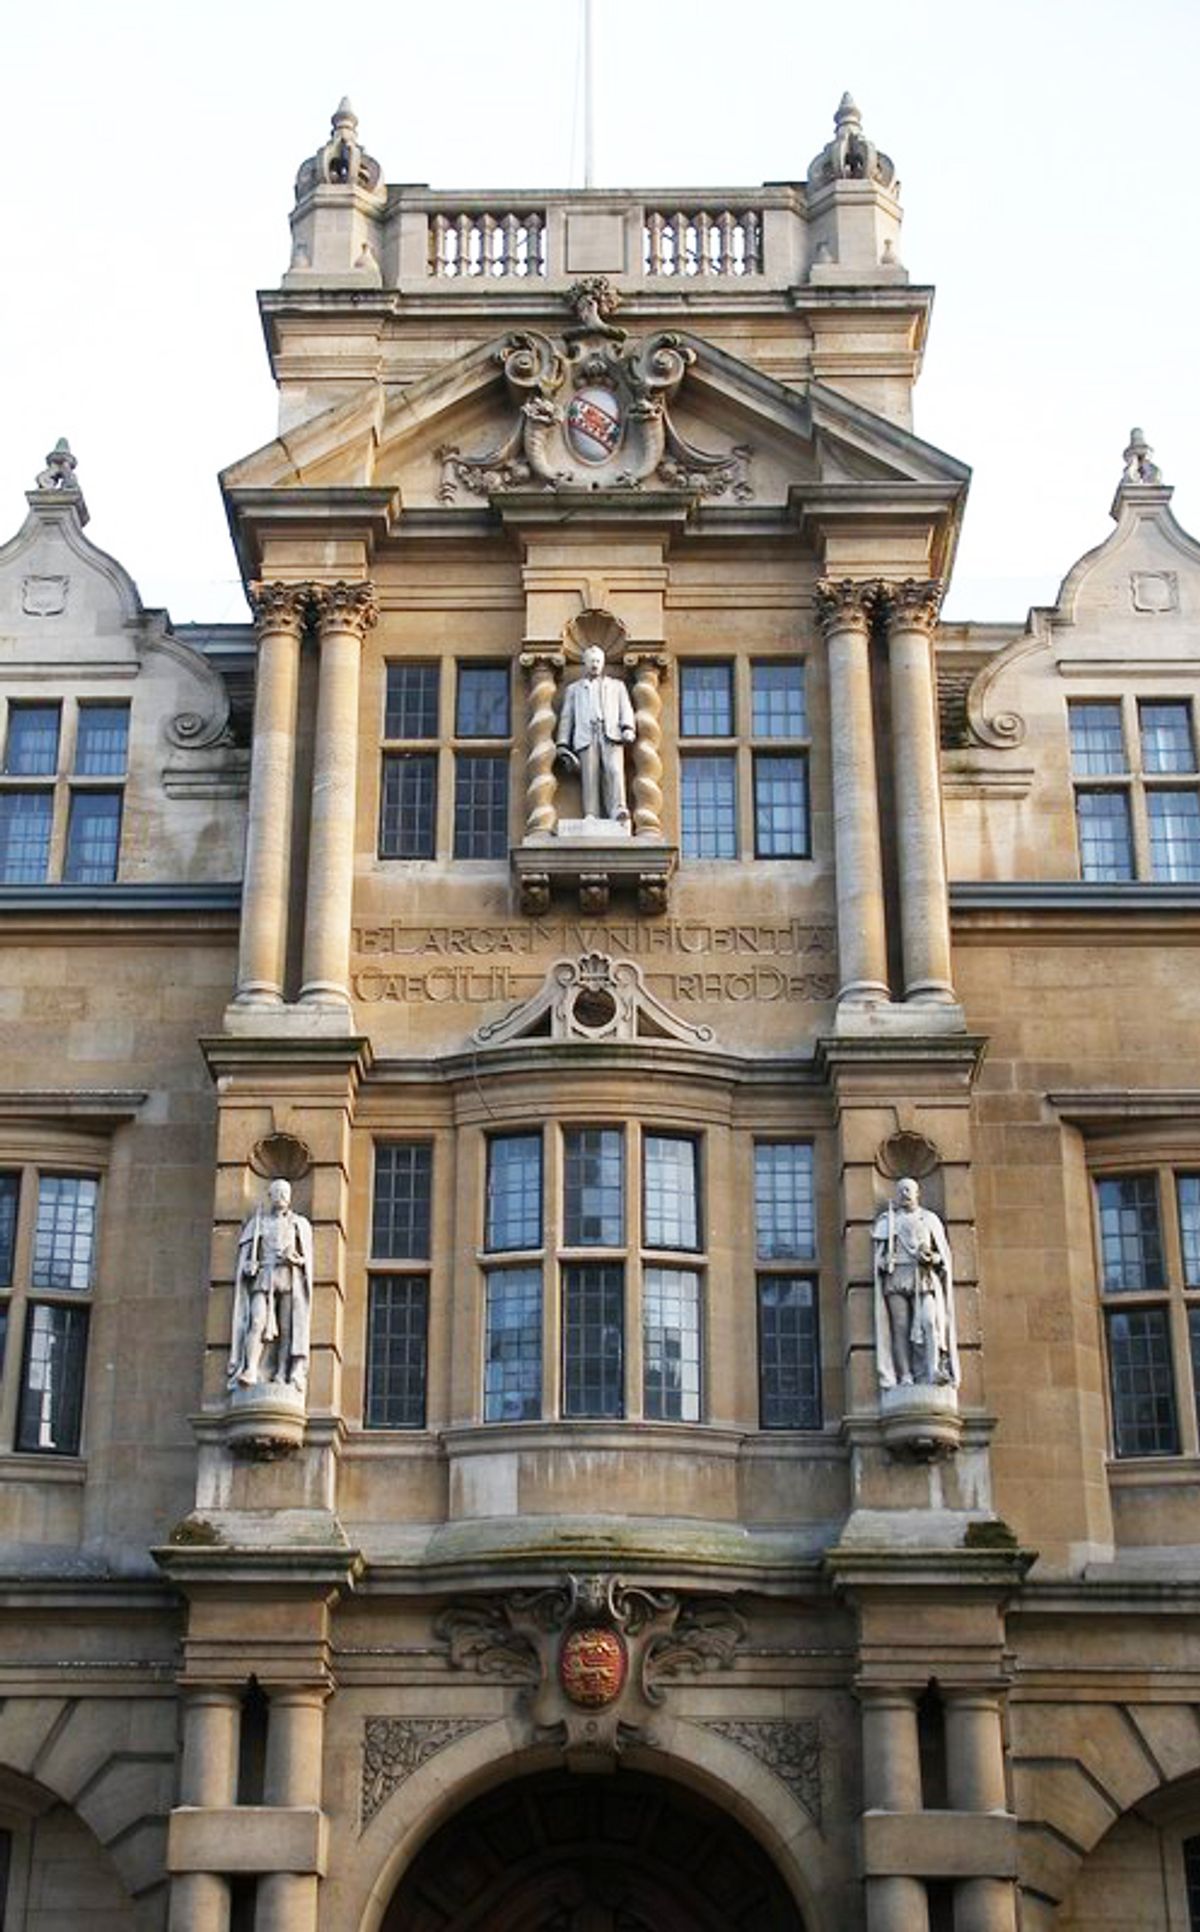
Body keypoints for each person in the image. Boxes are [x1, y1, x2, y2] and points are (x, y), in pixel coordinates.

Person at [228, 1178, 314, 1395]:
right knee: (257, 1322)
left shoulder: (298, 1224)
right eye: (277, 1192)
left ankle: (283, 1372)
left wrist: (295, 1259)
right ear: (270, 1196)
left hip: (287, 1277)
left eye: (285, 1192)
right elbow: (247, 1258)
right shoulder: (258, 1224)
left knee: (287, 1328)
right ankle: (250, 1368)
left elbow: (306, 1260)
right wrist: (249, 1266)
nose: (281, 1196)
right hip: (264, 1276)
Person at [872, 1177, 959, 1389]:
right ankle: (905, 1375)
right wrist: (883, 1262)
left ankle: (933, 1371)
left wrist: (932, 1258)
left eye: (909, 1190)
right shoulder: (888, 1221)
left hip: (924, 1277)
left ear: (918, 1193)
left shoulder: (929, 1219)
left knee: (930, 1322)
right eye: (901, 1190)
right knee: (900, 1327)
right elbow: (880, 1258)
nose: (905, 1193)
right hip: (897, 1277)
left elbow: (943, 1257)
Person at [555, 644, 636, 823]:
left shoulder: (617, 686)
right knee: (590, 775)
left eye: (598, 661)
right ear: (585, 663)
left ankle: (619, 809)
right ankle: (591, 813)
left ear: (603, 663)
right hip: (586, 734)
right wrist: (562, 743)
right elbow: (567, 717)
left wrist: (628, 728)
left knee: (614, 771)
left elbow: (626, 709)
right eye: (591, 661)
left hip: (611, 734)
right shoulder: (574, 689)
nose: (595, 665)